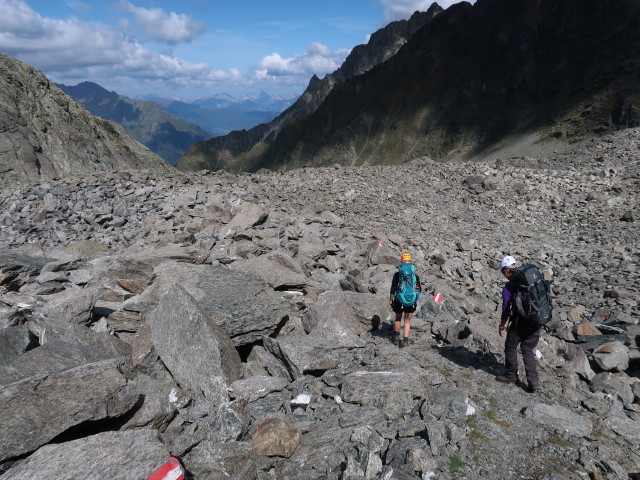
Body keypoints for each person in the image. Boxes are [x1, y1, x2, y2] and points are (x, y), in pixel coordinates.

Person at [496, 255, 540, 393]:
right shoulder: (531, 279)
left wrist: (502, 325)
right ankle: (533, 381)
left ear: (505, 271)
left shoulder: (509, 287)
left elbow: (505, 308)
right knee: (527, 348)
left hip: (520, 321)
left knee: (510, 346)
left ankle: (511, 375)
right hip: (537, 319)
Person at [389, 253, 421, 348]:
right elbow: (419, 289)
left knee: (398, 318)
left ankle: (396, 337)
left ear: (401, 261)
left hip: (399, 299)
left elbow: (393, 288)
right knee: (407, 321)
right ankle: (405, 340)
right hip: (411, 300)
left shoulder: (397, 275)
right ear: (410, 261)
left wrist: (391, 300)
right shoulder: (415, 276)